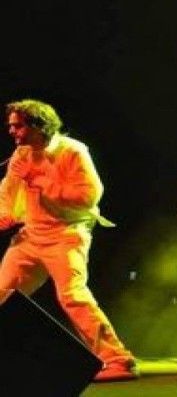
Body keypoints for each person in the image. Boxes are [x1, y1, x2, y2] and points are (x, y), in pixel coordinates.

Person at [0, 99, 137, 382]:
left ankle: (119, 361)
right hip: (30, 237)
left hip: (66, 234)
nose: (11, 131)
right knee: (2, 292)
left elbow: (88, 196)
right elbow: (8, 191)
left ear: (39, 126)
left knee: (72, 296)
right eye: (11, 126)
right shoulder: (21, 154)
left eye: (18, 126)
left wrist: (38, 180)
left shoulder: (73, 151)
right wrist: (4, 214)